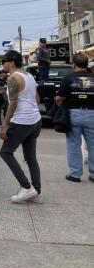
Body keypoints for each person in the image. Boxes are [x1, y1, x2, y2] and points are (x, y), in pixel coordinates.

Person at [0, 50, 42, 202]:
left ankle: (26, 186)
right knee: (31, 157)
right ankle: (36, 189)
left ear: (11, 62)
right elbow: (36, 99)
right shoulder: (29, 76)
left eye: (4, 61)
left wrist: (5, 125)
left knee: (5, 152)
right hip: (35, 120)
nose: (2, 64)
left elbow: (13, 104)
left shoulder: (13, 78)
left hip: (21, 122)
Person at [55, 52, 94, 182]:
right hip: (92, 113)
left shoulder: (68, 78)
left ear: (74, 65)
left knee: (73, 144)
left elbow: (59, 97)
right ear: (86, 64)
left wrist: (61, 105)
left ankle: (75, 174)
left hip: (74, 114)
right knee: (93, 144)